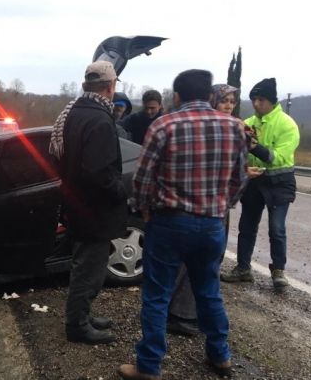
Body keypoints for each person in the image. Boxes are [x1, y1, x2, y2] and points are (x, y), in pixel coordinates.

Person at [118, 70, 248, 380]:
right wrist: (220, 205)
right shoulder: (235, 128)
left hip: (169, 223)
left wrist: (144, 211)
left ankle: (148, 366)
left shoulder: (163, 125)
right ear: (208, 94)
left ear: (176, 96)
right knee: (209, 292)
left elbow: (143, 179)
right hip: (211, 224)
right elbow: (240, 179)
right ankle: (220, 356)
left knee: (157, 295)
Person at [49, 61, 127, 345]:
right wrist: (121, 191)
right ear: (110, 86)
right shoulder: (99, 118)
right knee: (89, 271)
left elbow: (60, 159)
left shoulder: (74, 112)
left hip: (78, 205)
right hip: (94, 211)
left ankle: (83, 315)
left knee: (85, 266)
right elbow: (99, 173)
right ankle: (77, 326)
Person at [166, 84, 242, 337]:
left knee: (205, 262)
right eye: (224, 101)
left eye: (232, 101)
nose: (229, 105)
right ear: (212, 101)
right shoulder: (221, 129)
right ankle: (183, 314)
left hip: (216, 206)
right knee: (198, 264)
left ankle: (185, 312)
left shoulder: (234, 127)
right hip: (208, 209)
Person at [221, 78, 300, 289]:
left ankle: (278, 272)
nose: (256, 104)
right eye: (253, 99)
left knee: (277, 228)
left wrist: (255, 147)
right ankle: (243, 268)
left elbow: (279, 157)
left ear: (272, 101)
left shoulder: (287, 124)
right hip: (254, 182)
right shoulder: (248, 123)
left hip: (280, 183)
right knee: (246, 226)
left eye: (261, 99)